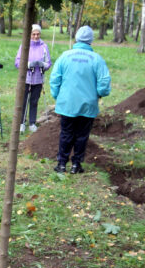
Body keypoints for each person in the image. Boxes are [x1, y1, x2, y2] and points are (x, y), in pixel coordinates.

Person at [49, 25, 111, 174]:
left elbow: (54, 79)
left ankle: (62, 164)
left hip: (67, 103)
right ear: (91, 40)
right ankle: (76, 165)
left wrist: (58, 96)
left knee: (66, 133)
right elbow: (104, 82)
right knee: (82, 135)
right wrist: (100, 94)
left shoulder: (65, 56)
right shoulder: (96, 59)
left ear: (76, 38)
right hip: (88, 105)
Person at [14, 24, 51, 133]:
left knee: (34, 101)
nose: (36, 36)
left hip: (38, 79)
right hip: (26, 78)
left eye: (38, 34)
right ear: (30, 34)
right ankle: (21, 123)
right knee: (24, 100)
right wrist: (29, 64)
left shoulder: (44, 46)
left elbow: (48, 63)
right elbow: (17, 62)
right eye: (33, 34)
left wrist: (42, 65)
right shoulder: (24, 45)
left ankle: (32, 122)